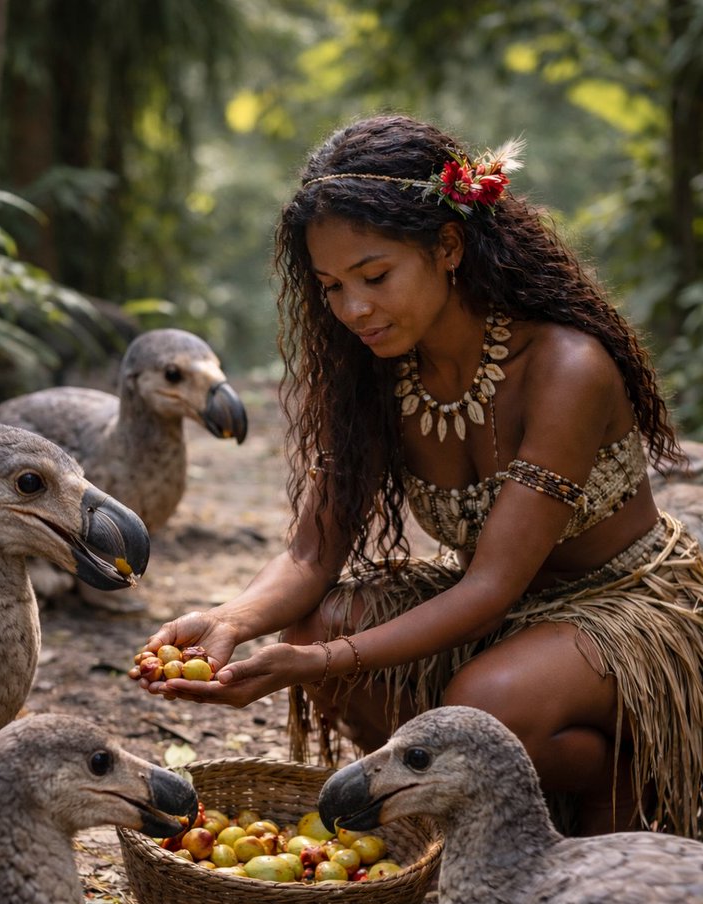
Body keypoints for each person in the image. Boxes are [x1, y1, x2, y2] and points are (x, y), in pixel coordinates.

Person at [139, 112, 703, 839]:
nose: (354, 309)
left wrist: (312, 663)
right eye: (332, 286)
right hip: (500, 611)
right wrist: (230, 623)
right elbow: (312, 553)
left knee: (480, 702)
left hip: (627, 605)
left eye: (375, 276)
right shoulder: (371, 371)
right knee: (322, 625)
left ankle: (625, 774)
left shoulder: (566, 367)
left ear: (447, 246)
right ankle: (503, 800)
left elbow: (490, 587)